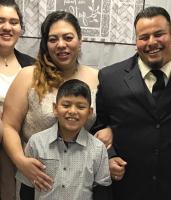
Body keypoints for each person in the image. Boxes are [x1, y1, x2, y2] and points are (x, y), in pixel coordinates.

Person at [92, 6, 171, 200]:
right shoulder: (110, 78)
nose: (151, 42)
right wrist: (109, 156)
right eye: (143, 37)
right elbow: (99, 126)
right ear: (136, 42)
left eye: (159, 34)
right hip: (127, 190)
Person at [2, 10, 111, 195]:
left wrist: (108, 129)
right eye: (53, 39)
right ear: (46, 43)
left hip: (79, 182)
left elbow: (105, 120)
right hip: (37, 178)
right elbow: (9, 126)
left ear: (80, 39)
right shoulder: (28, 76)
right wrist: (21, 161)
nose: (61, 45)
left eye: (68, 37)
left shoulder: (98, 78)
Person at [16, 79, 112, 200]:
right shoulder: (36, 143)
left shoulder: (98, 148)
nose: (72, 111)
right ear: (55, 108)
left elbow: (102, 192)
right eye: (66, 105)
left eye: (81, 107)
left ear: (89, 112)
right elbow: (26, 187)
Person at [0, 0, 35, 199]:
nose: (7, 27)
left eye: (13, 22)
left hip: (22, 142)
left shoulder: (32, 66)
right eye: (0, 20)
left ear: (20, 29)